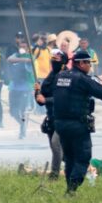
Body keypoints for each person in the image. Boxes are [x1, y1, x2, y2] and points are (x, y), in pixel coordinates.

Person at [53, 49, 102, 195]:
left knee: (69, 158)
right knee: (83, 157)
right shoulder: (82, 79)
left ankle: (69, 188)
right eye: (88, 63)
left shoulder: (60, 76)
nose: (90, 66)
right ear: (80, 63)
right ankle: (72, 189)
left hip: (60, 125)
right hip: (78, 125)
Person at [36, 49, 68, 179]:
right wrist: (37, 92)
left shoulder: (66, 76)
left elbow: (64, 97)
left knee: (56, 144)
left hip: (64, 117)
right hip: (51, 117)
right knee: (59, 151)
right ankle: (75, 166)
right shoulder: (50, 76)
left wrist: (46, 99)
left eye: (57, 58)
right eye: (53, 59)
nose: (54, 61)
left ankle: (54, 175)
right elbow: (40, 101)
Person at [7, 39, 35, 138]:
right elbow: (9, 59)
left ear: (28, 47)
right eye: (21, 46)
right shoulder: (16, 55)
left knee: (23, 111)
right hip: (14, 86)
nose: (22, 48)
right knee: (12, 111)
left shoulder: (31, 56)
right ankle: (22, 124)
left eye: (24, 47)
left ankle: (22, 132)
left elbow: (30, 66)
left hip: (25, 87)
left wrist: (26, 59)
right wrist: (22, 59)